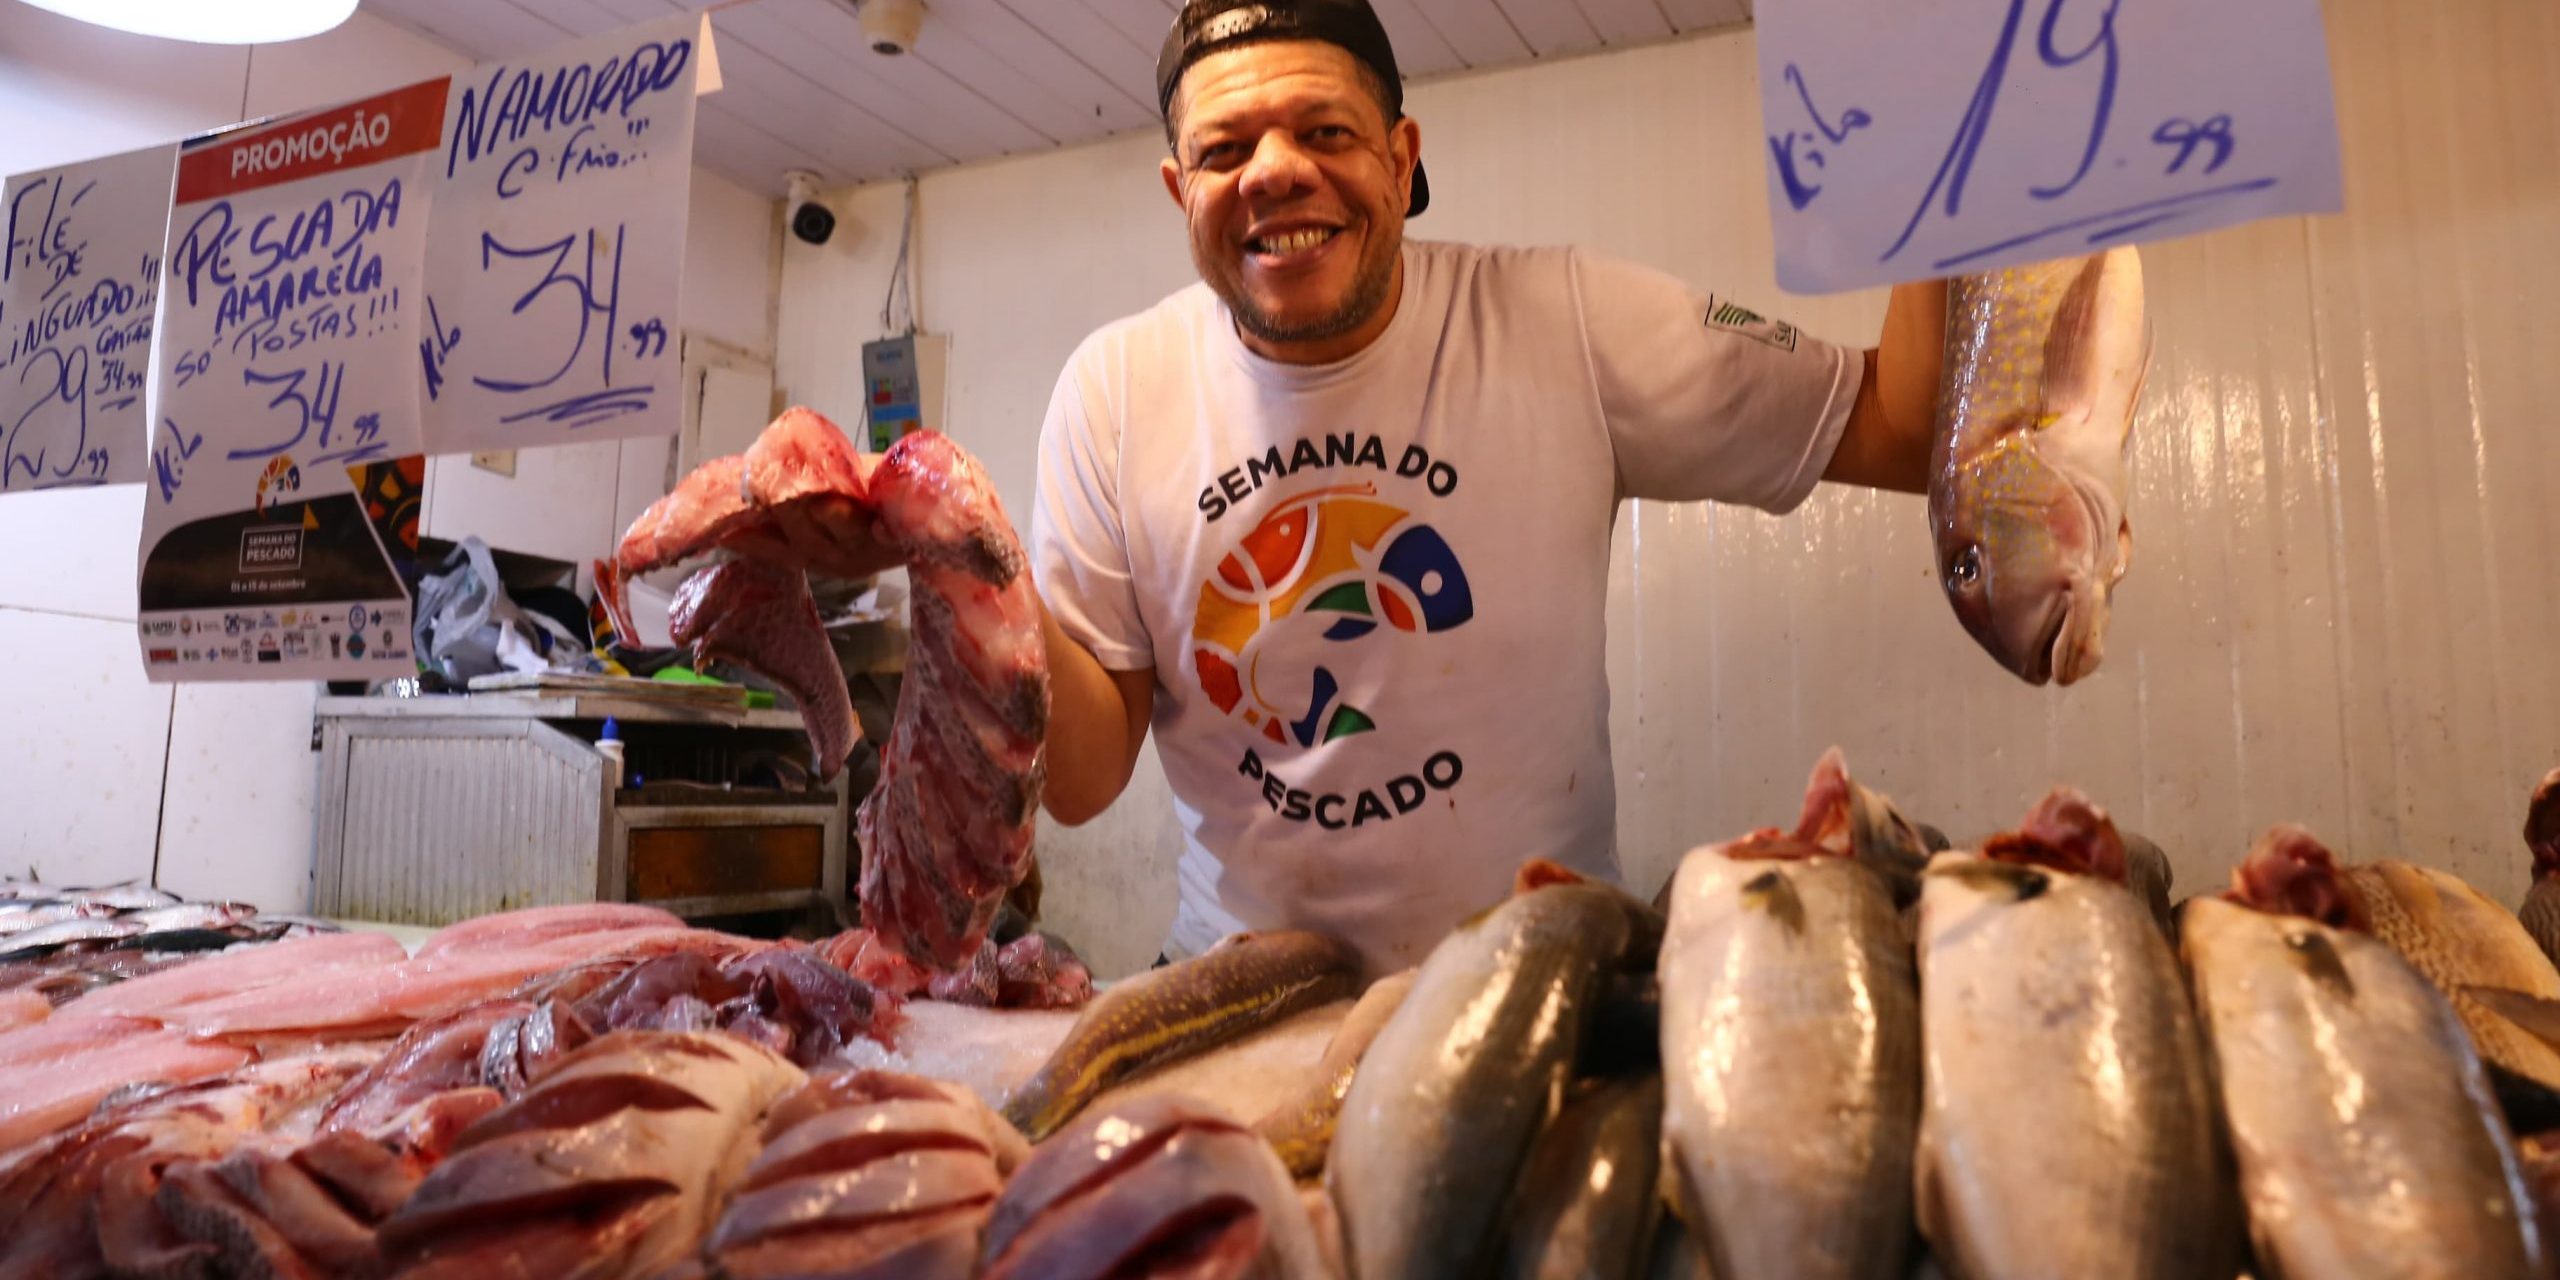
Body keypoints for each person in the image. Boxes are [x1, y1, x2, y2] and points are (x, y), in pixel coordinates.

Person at [1029, 0, 1947, 976]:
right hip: (1238, 993)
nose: (1274, 170)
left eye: (1325, 130)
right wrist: (957, 553)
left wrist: (1951, 146)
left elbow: (1895, 424)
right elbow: (1079, 783)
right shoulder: (1115, 390)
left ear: (1400, 153)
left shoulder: (1566, 321)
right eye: (1224, 150)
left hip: (1545, 979)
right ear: (1181, 190)